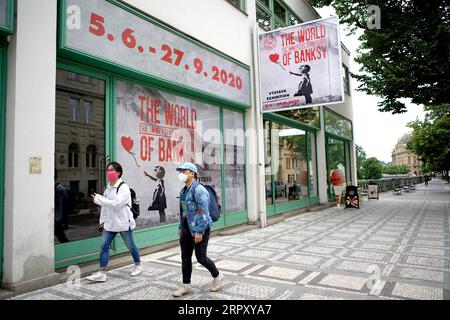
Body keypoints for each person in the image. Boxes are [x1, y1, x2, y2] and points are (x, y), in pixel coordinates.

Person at [172, 162, 224, 297]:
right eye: (180, 171)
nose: (181, 174)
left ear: (192, 174)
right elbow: (183, 212)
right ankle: (186, 285)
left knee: (201, 258)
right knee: (185, 257)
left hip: (200, 228)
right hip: (186, 228)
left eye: (184, 171)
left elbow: (203, 212)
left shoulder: (199, 190)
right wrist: (180, 227)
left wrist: (199, 231)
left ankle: (218, 276)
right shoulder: (183, 191)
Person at [86, 161, 141, 282]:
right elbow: (105, 206)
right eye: (108, 170)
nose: (109, 172)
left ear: (118, 172)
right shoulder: (108, 187)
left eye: (112, 170)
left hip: (123, 223)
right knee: (104, 246)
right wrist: (102, 220)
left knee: (130, 246)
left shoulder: (123, 187)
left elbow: (116, 204)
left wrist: (99, 199)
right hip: (110, 223)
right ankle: (102, 273)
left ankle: (137, 265)